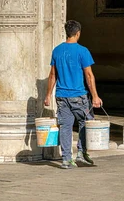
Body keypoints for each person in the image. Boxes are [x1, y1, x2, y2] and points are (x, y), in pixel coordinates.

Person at [44, 19, 103, 169]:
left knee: (65, 126)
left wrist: (48, 95)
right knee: (86, 123)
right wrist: (95, 96)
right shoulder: (82, 51)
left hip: (61, 97)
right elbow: (89, 75)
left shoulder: (57, 50)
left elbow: (52, 75)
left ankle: (66, 159)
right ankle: (81, 153)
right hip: (78, 96)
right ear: (78, 33)